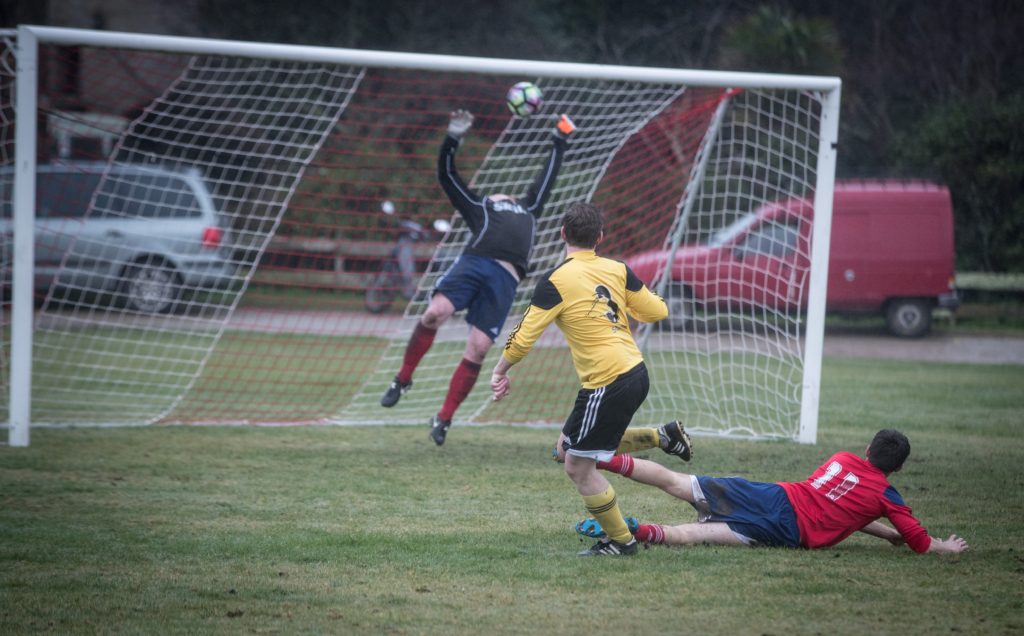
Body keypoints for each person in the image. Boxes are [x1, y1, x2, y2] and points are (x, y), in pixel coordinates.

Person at [491, 201, 690, 557]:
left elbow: (523, 337)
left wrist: (500, 370)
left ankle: (621, 541)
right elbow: (657, 310)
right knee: (564, 451)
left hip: (610, 380)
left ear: (563, 233)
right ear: (600, 237)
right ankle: (661, 437)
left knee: (578, 468)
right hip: (630, 374)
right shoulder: (617, 269)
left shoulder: (555, 280)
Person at [380, 109, 575, 446]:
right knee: (434, 313)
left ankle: (444, 417)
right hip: (474, 264)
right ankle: (402, 378)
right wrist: (453, 135)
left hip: (505, 281)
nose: (505, 196)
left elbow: (547, 178)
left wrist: (559, 138)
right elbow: (447, 175)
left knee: (480, 348)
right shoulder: (480, 206)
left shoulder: (530, 208)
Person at [575, 428, 970, 555]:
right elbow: (918, 540)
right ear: (898, 468)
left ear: (867, 450)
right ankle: (633, 531)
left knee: (676, 483)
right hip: (784, 528)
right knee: (692, 534)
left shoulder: (842, 459)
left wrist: (885, 533)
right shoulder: (886, 495)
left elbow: (836, 505)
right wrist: (943, 545)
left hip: (772, 495)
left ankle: (601, 459)